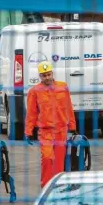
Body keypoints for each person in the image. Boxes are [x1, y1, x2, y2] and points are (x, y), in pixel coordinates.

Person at [24, 61, 77, 189]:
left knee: (59, 162)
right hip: (45, 131)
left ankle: (58, 188)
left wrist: (73, 126)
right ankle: (46, 187)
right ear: (40, 76)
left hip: (61, 130)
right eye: (44, 75)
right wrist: (28, 131)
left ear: (52, 73)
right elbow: (31, 113)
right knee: (47, 158)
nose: (47, 78)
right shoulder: (34, 91)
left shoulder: (62, 87)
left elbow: (68, 107)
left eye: (48, 74)